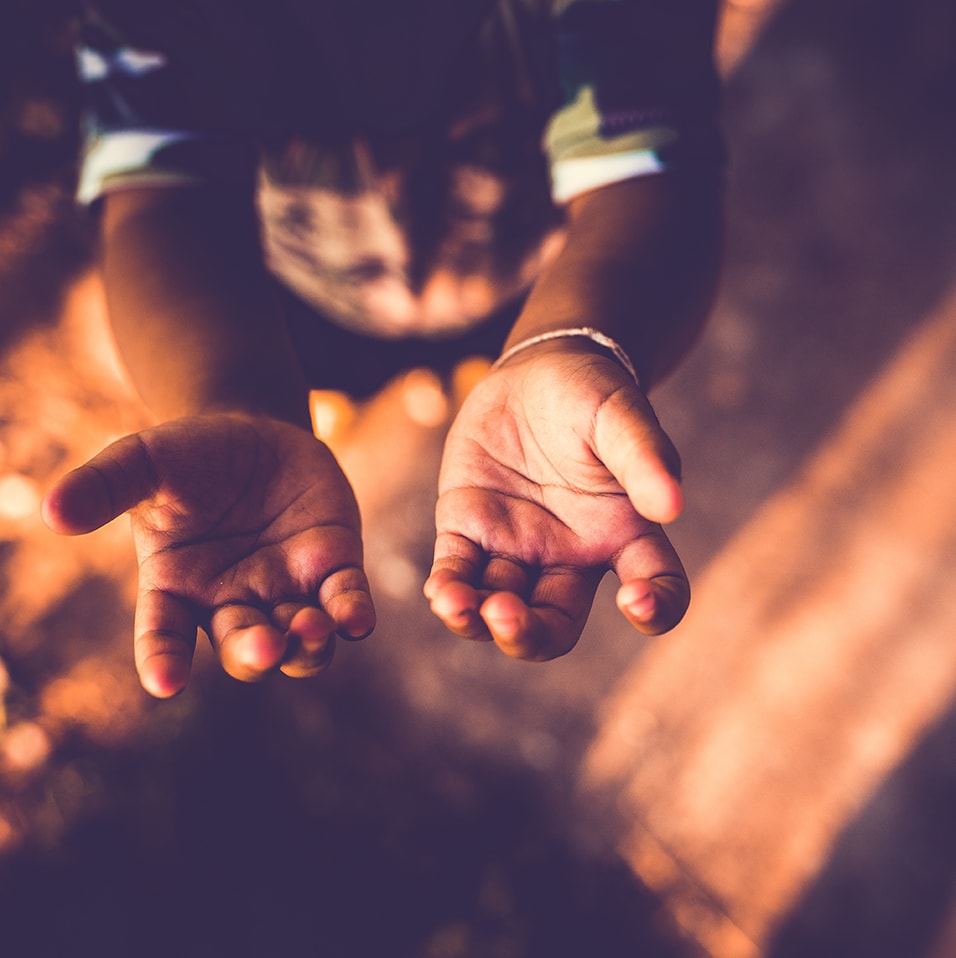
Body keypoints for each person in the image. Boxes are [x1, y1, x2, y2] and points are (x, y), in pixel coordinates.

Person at [40, 0, 724, 698]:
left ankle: (480, 373)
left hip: (545, 280)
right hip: (307, 303)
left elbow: (649, 167)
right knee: (345, 374)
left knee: (507, 378)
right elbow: (158, 197)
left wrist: (566, 338)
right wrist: (239, 395)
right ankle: (367, 392)